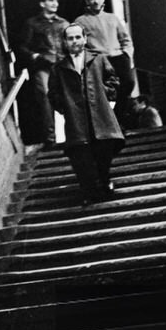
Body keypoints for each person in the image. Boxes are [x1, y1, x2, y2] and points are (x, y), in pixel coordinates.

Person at [47, 23, 124, 206]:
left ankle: (104, 184)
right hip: (76, 120)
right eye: (70, 38)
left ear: (84, 39)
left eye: (77, 37)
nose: (74, 41)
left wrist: (103, 93)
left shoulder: (98, 59)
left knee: (103, 151)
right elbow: (53, 93)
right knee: (81, 154)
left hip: (100, 116)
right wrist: (66, 107)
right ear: (65, 42)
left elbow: (113, 80)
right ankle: (90, 191)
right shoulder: (59, 68)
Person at [15, 0, 69, 144]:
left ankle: (73, 135)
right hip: (43, 66)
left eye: (57, 1)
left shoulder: (63, 23)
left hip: (62, 65)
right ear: (42, 3)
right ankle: (51, 137)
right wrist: (35, 56)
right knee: (46, 96)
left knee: (67, 97)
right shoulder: (32, 23)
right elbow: (23, 47)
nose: (55, 4)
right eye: (51, 0)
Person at [73, 0, 136, 113]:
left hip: (117, 56)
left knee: (128, 83)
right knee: (102, 92)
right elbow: (78, 46)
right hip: (98, 60)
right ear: (87, 1)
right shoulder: (81, 21)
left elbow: (126, 39)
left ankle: (118, 115)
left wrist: (126, 55)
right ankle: (108, 119)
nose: (95, 1)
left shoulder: (112, 18)